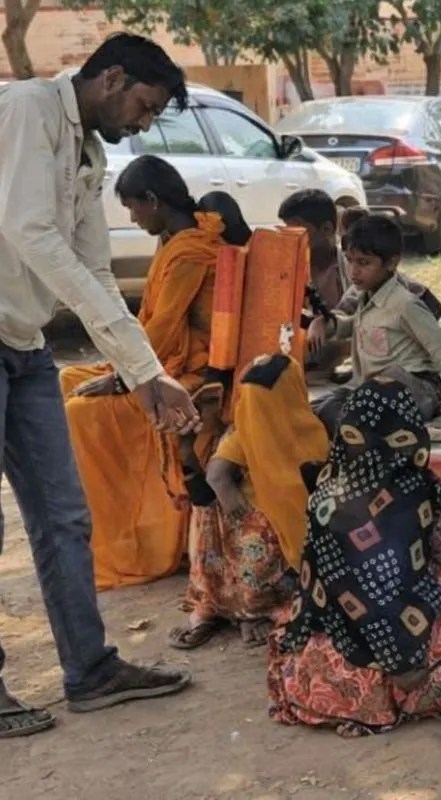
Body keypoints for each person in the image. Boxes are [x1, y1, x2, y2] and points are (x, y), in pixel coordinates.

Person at [0, 32, 195, 739]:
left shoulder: (89, 153)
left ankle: (90, 671)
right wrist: (142, 368)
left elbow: (95, 272)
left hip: (24, 346)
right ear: (111, 78)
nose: (143, 123)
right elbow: (30, 233)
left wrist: (145, 375)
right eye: (144, 106)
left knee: (65, 516)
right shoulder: (26, 108)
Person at [60, 154, 226, 591]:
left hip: (190, 373)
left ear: (152, 200)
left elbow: (164, 329)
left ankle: (135, 537)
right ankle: (102, 526)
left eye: (133, 208)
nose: (133, 218)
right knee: (68, 379)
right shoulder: (175, 241)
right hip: (162, 360)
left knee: (80, 411)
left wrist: (123, 378)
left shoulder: (190, 251)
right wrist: (120, 366)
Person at [267, 377, 441, 736]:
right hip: (401, 655)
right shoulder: (417, 488)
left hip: (320, 668)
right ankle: (411, 686)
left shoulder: (325, 488)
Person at [168, 353, 330, 649]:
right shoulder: (311, 427)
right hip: (289, 534)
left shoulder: (243, 432)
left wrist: (239, 516)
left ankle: (249, 609)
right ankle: (257, 611)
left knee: (241, 534)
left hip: (261, 534)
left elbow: (217, 477)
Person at [310, 214, 441, 433]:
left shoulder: (404, 304)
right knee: (316, 410)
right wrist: (326, 325)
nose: (353, 271)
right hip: (371, 389)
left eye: (364, 263)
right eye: (349, 260)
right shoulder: (366, 297)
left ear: (392, 263)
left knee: (357, 409)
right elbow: (355, 325)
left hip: (417, 389)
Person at [281, 190, 441, 374]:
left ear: (326, 229)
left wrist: (324, 324)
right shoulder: (289, 270)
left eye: (297, 230)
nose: (289, 236)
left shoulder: (359, 269)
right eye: (286, 229)